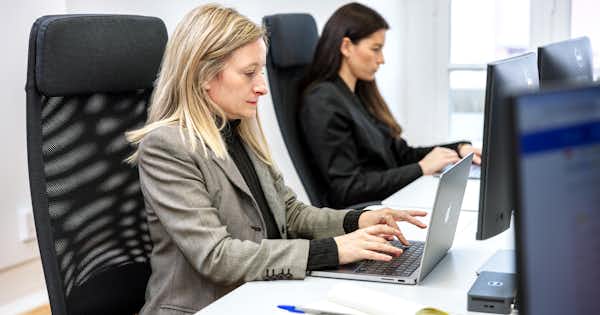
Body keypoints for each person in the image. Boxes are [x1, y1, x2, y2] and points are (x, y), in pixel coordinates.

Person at [126, 5, 427, 314]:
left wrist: (356, 220)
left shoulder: (240, 128)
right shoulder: (167, 146)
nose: (262, 87)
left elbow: (290, 214)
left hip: (260, 294)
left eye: (261, 72)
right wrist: (332, 250)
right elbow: (216, 256)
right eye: (248, 73)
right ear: (204, 74)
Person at [300, 3, 482, 209]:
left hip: (390, 201)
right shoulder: (322, 102)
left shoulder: (358, 94)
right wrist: (421, 168)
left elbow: (402, 155)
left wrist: (457, 150)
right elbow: (347, 189)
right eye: (375, 49)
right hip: (366, 214)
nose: (382, 59)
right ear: (346, 46)